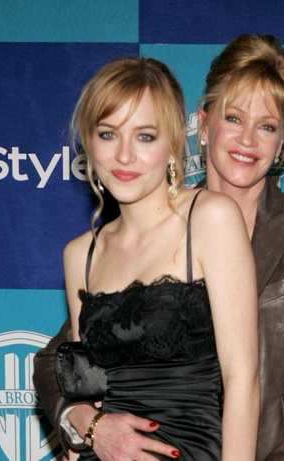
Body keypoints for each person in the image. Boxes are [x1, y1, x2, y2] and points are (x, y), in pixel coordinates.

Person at [34, 35, 284, 460]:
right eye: (234, 118)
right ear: (203, 125)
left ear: (283, 144)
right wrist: (89, 423)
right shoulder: (148, 227)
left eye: (268, 126)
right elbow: (59, 360)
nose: (248, 140)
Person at [51, 57, 259, 461]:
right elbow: (84, 391)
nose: (124, 156)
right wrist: (86, 430)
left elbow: (243, 379)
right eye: (108, 134)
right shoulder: (81, 254)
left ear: (173, 143)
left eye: (144, 136)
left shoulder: (210, 218)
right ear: (88, 143)